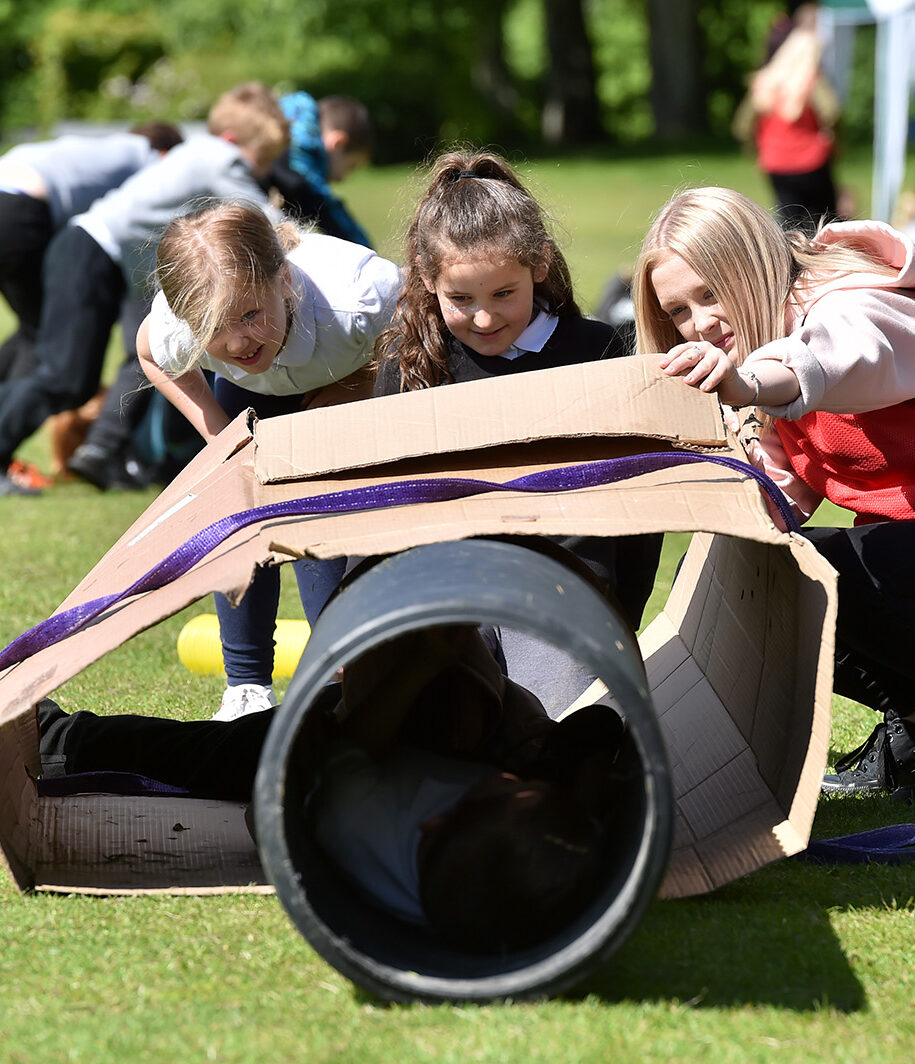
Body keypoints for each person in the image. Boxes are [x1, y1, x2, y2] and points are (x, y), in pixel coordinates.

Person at [631, 185, 915, 804]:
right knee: (763, 566)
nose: (698, 323)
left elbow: (838, 359)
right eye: (678, 311)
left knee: (834, 564)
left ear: (753, 267)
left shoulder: (862, 306)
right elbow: (773, 502)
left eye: (710, 293)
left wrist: (748, 385)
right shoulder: (764, 365)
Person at [36, 624, 623, 952]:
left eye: (492, 789)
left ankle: (60, 738)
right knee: (598, 729)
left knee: (212, 752)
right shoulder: (508, 858)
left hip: (320, 761)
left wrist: (417, 668)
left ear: (435, 818)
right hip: (432, 764)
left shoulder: (361, 815)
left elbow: (350, 745)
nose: (502, 781)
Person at [372, 147, 661, 712]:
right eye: (461, 299)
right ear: (426, 279)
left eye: (504, 293)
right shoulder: (409, 368)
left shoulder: (598, 353)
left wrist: (620, 622)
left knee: (577, 740)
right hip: (446, 603)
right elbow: (376, 509)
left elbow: (641, 510)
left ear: (541, 265)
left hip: (562, 603)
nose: (484, 318)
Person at [136, 201, 401, 721]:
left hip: (341, 378)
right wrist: (218, 431)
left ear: (283, 281)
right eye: (214, 327)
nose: (236, 341)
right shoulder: (178, 322)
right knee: (240, 516)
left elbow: (425, 326)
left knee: (318, 521)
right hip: (248, 392)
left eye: (250, 315)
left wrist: (358, 383)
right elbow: (150, 355)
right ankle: (246, 685)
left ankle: (336, 672)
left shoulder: (360, 294)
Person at [0, 82, 289, 498]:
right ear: (233, 141)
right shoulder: (217, 155)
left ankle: (105, 453)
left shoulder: (195, 155)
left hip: (104, 256)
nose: (259, 171)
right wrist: (313, 246)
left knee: (137, 354)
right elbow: (259, 216)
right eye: (261, 159)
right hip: (90, 250)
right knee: (65, 376)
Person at [0, 121, 184, 490]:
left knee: (34, 337)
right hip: (19, 209)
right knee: (63, 370)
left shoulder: (103, 149)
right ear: (166, 153)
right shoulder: (149, 162)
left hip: (12, 203)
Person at [732, 2, 840, 233]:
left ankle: (789, 266)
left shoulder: (765, 81)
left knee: (790, 222)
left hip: (776, 162)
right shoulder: (811, 80)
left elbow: (742, 125)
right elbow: (832, 112)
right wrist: (831, 138)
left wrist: (759, 149)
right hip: (812, 160)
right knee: (826, 222)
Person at [271, 92, 374, 247]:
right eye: (351, 166)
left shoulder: (284, 121)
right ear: (338, 142)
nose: (342, 179)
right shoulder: (299, 157)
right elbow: (328, 211)